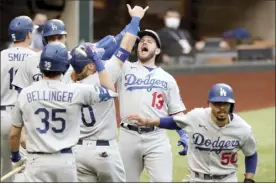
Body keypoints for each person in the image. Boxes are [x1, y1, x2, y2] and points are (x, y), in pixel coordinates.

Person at [9, 42, 118, 182]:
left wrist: (15, 157)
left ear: (41, 66)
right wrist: (97, 60)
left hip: (36, 160)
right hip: (65, 161)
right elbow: (111, 91)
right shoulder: (76, 90)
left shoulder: (25, 93)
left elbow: (14, 135)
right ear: (65, 66)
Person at [65, 4, 149, 182]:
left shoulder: (66, 80)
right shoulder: (104, 75)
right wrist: (135, 19)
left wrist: (126, 29)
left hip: (77, 151)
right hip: (104, 151)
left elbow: (112, 44)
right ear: (89, 65)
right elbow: (125, 47)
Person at [126, 83, 258, 183]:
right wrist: (148, 121)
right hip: (196, 179)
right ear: (209, 104)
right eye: (217, 104)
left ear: (231, 106)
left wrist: (249, 178)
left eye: (225, 104)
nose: (222, 108)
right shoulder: (196, 117)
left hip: (227, 180)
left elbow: (251, 153)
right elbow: (175, 122)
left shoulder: (242, 128)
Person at [0, 15, 36, 182]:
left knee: (3, 172)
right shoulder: (35, 57)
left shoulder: (1, 56)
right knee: (22, 171)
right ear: (28, 34)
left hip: (1, 115)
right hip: (21, 121)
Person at [12, 19, 68, 91]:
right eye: (52, 38)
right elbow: (20, 88)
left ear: (65, 37)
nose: (56, 41)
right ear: (45, 40)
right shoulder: (30, 61)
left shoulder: (73, 61)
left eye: (60, 37)